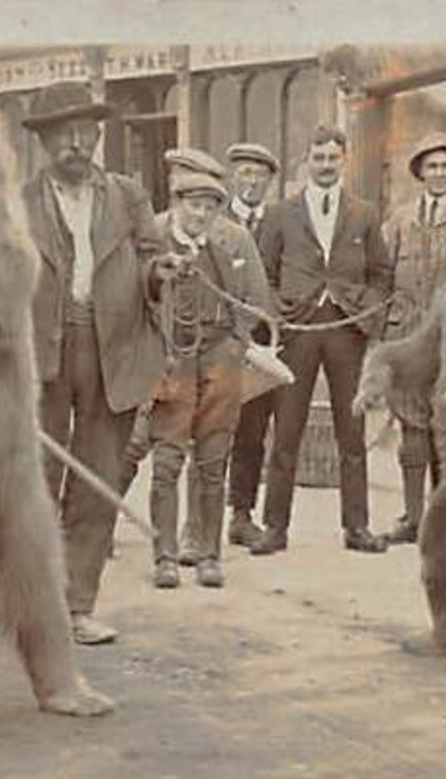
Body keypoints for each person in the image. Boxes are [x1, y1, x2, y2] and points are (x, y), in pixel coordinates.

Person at [20, 82, 164, 645]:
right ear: (44, 142)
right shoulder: (19, 202)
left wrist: (161, 273)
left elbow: (151, 258)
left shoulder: (128, 196)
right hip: (42, 353)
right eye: (64, 135)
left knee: (98, 480)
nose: (76, 145)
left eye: (85, 134)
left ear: (97, 138)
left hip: (115, 351)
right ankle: (32, 606)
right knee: (38, 480)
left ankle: (77, 606)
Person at [252, 125, 393, 557]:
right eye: (318, 158)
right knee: (288, 430)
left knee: (351, 433)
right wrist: (280, 313)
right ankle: (275, 527)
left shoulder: (365, 214)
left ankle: (357, 527)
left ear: (344, 159)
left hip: (347, 330)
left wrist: (366, 312)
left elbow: (381, 274)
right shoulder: (281, 214)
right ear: (306, 161)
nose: (326, 165)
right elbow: (263, 275)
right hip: (298, 330)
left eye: (333, 158)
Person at [143, 149, 272, 590]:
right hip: (172, 358)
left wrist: (236, 342)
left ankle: (208, 555)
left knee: (214, 458)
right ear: (177, 203)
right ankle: (163, 556)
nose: (200, 214)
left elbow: (254, 300)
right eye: (192, 205)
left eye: (209, 207)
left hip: (219, 354)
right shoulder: (156, 241)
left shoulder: (228, 245)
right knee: (166, 459)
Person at [380, 129, 446, 544]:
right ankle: (413, 517)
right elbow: (383, 278)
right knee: (411, 427)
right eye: (431, 166)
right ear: (419, 171)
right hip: (408, 335)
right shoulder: (400, 220)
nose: (439, 173)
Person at [221, 141, 283, 549]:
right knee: (201, 430)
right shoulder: (214, 220)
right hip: (217, 342)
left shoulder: (280, 223)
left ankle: (242, 515)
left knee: (252, 433)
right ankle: (196, 521)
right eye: (245, 173)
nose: (252, 182)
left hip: (262, 346)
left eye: (260, 175)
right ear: (232, 178)